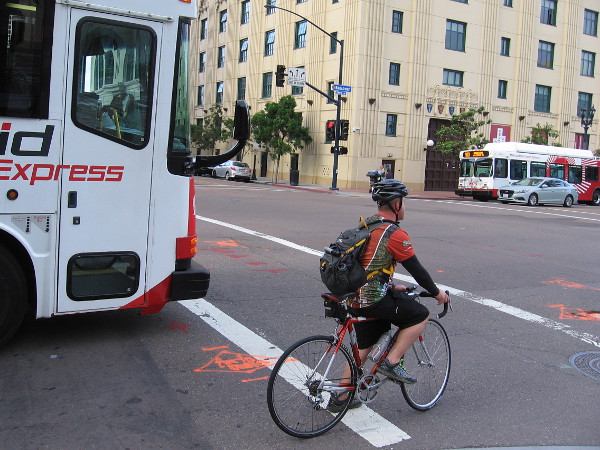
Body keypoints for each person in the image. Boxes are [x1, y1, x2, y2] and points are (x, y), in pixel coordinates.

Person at [328, 179, 450, 412]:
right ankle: (392, 361)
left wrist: (392, 287)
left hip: (355, 297)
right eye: (403, 203)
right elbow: (418, 271)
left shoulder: (368, 226)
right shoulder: (394, 233)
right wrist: (437, 293)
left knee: (363, 348)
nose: (405, 207)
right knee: (420, 315)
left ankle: (340, 398)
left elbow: (370, 265)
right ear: (396, 205)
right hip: (372, 299)